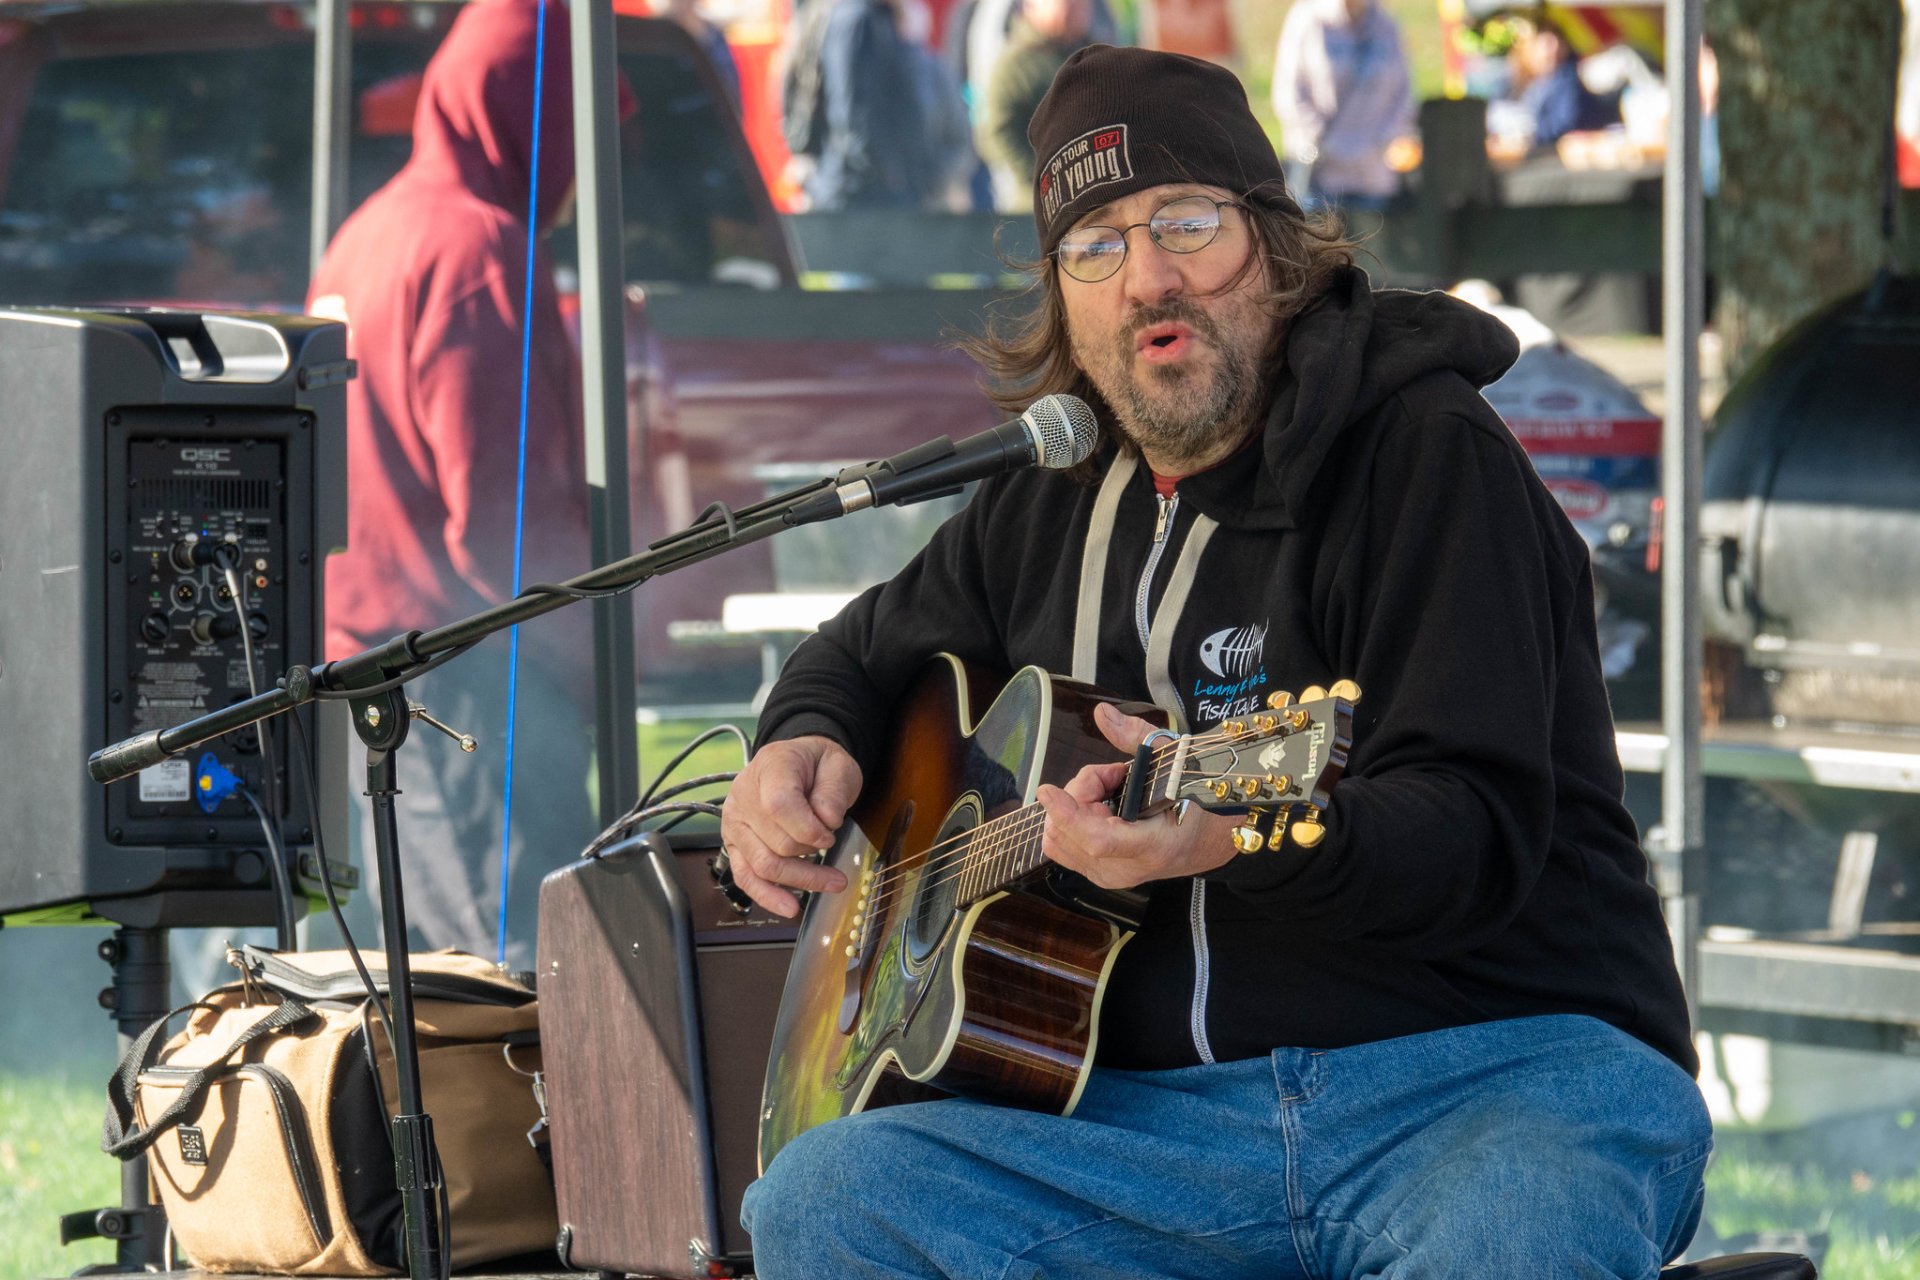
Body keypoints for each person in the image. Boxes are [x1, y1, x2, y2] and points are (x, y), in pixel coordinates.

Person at [720, 44, 1710, 1278]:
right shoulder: (1046, 501)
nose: (1146, 277)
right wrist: (797, 736)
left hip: (1487, 1081)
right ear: (1065, 301)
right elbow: (862, 651)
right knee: (824, 1199)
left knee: (1507, 1230)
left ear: (1277, 249)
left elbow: (1475, 828)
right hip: (1156, 1140)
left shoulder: (1428, 455)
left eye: (1185, 222)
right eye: (1095, 248)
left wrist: (1238, 842)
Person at [308, 0, 597, 972]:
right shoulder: (478, 247)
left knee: (432, 976)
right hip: (474, 671)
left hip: (377, 665)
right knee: (515, 976)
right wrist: (586, 640)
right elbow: (501, 521)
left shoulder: (366, 231)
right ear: (535, 115)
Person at [779, 0, 937, 210]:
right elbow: (852, 115)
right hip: (859, 193)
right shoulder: (856, 18)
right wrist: (889, 175)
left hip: (878, 187)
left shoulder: (878, 17)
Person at [1272, 0, 1414, 215]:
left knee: (1369, 245)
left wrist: (1378, 141)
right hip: (1320, 174)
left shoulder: (1385, 25)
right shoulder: (1308, 19)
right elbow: (1289, 94)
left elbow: (1404, 96)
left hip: (1371, 174)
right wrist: (1325, 142)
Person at [976, 0, 1095, 210]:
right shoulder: (1015, 63)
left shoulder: (1095, 54)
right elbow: (995, 135)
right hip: (1041, 208)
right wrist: (1045, 178)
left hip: (1096, 199)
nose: (1076, 8)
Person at [1513, 21, 1619, 151]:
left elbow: (1566, 123)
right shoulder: (1533, 83)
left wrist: (1530, 136)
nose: (1553, 50)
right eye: (1546, 45)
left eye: (1556, 44)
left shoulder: (1568, 78)